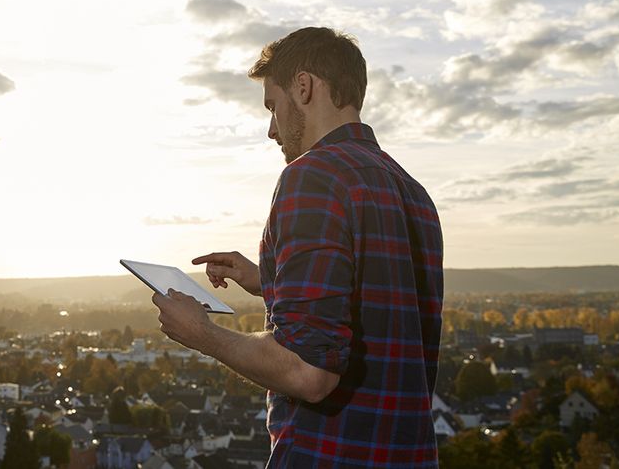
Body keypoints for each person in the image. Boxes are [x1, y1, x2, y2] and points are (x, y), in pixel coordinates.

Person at [152, 27, 443, 468]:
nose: (271, 130)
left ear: (303, 87)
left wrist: (202, 334)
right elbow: (375, 313)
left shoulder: (313, 175)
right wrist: (268, 280)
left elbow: (308, 373)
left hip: (329, 455)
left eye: (272, 106)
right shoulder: (412, 190)